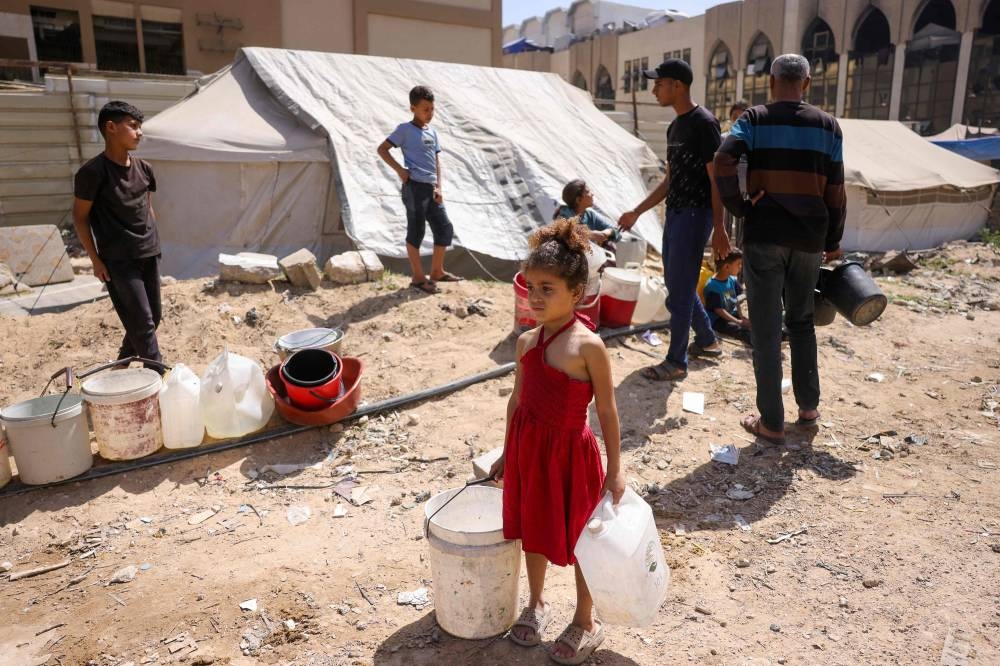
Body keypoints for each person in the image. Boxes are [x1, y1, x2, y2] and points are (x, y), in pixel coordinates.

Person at [489, 219, 625, 665]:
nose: (536, 296)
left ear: (578, 290)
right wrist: (508, 452)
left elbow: (606, 410)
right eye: (531, 287)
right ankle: (537, 602)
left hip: (570, 455)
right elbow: (517, 400)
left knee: (578, 537)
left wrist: (616, 469)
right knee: (533, 529)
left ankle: (585, 620)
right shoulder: (527, 341)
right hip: (530, 451)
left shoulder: (589, 347)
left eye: (548, 288)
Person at [713, 53, 846, 446]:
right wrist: (833, 240)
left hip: (765, 234)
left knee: (768, 329)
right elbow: (836, 189)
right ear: (806, 84)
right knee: (802, 322)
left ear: (771, 82)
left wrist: (738, 207)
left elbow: (723, 158)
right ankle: (808, 410)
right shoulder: (828, 126)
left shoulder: (754, 119)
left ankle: (771, 422)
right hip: (809, 238)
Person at [618, 58, 731, 382]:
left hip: (696, 215)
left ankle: (676, 361)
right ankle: (707, 341)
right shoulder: (675, 126)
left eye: (659, 83)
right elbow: (670, 181)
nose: (654, 90)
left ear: (677, 86)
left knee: (679, 292)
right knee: (677, 285)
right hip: (677, 213)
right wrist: (637, 211)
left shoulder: (704, 123)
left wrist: (720, 228)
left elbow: (715, 180)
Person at [73, 101, 163, 372]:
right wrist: (95, 260)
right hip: (118, 260)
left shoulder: (145, 169)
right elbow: (80, 217)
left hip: (149, 252)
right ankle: (158, 377)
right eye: (133, 126)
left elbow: (147, 206)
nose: (139, 133)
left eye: (140, 127)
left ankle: (120, 366)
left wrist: (154, 242)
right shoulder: (92, 173)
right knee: (143, 322)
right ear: (111, 128)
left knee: (152, 318)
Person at [377, 85, 463, 294]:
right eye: (425, 109)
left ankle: (437, 271)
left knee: (444, 228)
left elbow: (436, 160)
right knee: (416, 230)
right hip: (414, 187)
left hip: (432, 188)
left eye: (432, 109)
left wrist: (439, 186)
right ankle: (417, 277)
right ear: (412, 108)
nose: (429, 113)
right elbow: (382, 149)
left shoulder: (432, 132)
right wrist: (400, 170)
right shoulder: (404, 130)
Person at [554, 179, 622, 254]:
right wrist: (591, 235)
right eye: (587, 192)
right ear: (578, 200)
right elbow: (565, 230)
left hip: (587, 258)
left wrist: (606, 233)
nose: (592, 194)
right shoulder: (564, 213)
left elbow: (617, 232)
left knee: (610, 245)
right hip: (566, 258)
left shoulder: (590, 215)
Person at [703, 249, 752, 345]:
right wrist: (738, 321)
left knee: (751, 323)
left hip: (731, 313)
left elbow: (739, 299)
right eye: (738, 264)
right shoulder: (712, 286)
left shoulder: (732, 280)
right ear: (727, 267)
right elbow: (719, 310)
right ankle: (759, 343)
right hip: (718, 320)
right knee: (738, 329)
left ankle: (780, 336)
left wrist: (741, 317)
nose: (740, 267)